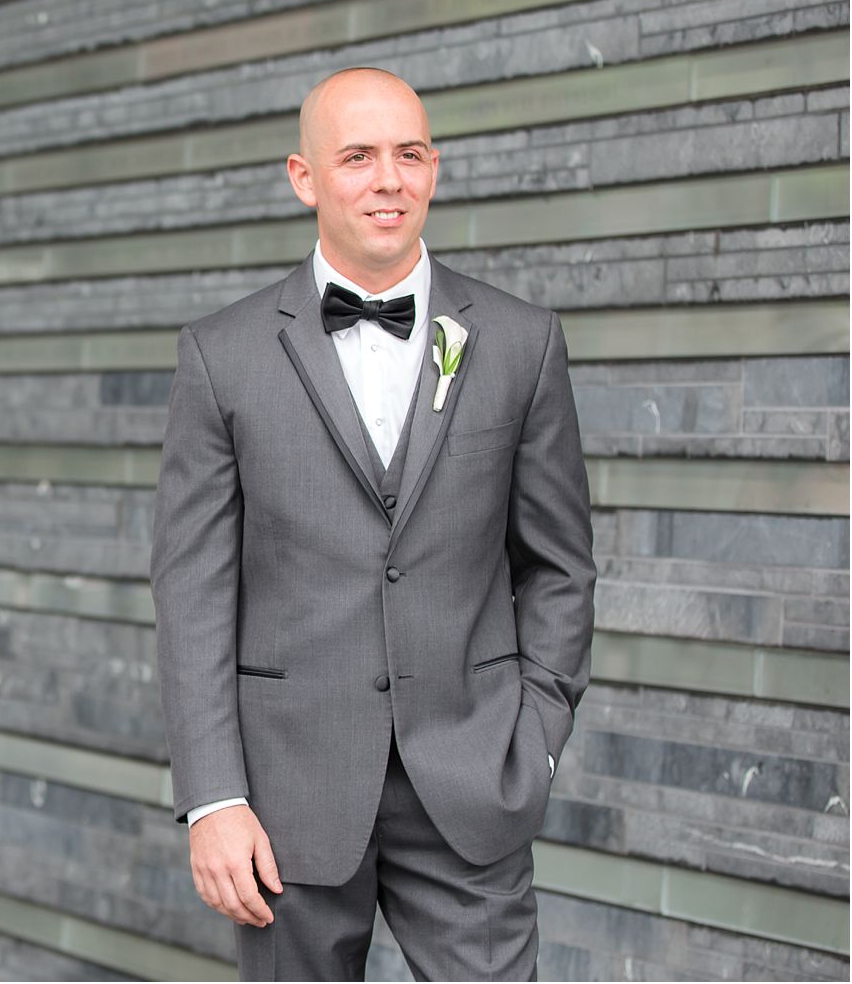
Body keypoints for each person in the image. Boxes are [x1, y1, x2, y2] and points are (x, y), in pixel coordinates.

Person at [150, 68, 596, 981]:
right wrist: (213, 797)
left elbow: (559, 564)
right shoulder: (221, 355)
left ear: (434, 167)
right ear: (304, 177)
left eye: (410, 153)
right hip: (283, 795)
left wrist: (536, 738)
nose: (389, 179)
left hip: (473, 777)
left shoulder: (521, 341)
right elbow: (192, 589)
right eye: (357, 156)